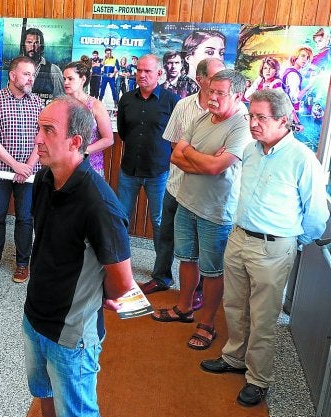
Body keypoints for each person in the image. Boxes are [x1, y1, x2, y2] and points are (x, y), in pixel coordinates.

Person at [200, 89, 329, 407]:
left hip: (273, 247)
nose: (253, 123)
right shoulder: (251, 150)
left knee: (263, 317)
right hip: (239, 238)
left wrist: (292, 242)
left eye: (261, 117)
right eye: (251, 116)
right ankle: (234, 358)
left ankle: (258, 378)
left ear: (283, 120)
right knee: (234, 306)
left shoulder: (302, 159)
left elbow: (316, 215)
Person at [24, 95, 137, 417]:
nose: (37, 139)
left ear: (75, 142)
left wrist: (97, 295)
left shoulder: (100, 204)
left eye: (48, 130)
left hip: (72, 333)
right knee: (44, 394)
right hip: (35, 317)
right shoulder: (44, 178)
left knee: (76, 412)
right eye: (38, 128)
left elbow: (122, 282)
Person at [152, 69, 252, 351]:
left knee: (212, 270)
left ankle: (207, 324)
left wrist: (194, 156)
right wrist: (203, 160)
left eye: (221, 93)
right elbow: (176, 156)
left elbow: (216, 167)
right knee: (186, 259)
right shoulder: (200, 118)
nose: (213, 98)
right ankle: (184, 308)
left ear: (237, 95)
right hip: (187, 201)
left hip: (216, 211)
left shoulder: (240, 126)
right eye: (211, 92)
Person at [141, 58, 226, 304]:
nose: (221, 82)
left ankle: (197, 290)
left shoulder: (229, 112)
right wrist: (205, 163)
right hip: (176, 185)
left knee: (199, 244)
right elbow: (173, 147)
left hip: (205, 194)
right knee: (165, 234)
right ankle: (161, 277)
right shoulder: (183, 105)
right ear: (200, 80)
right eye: (215, 77)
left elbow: (221, 159)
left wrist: (191, 155)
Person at [0, 56, 43, 283]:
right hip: (1, 172)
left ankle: (23, 262)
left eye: (32, 75)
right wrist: (16, 166)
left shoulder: (38, 103)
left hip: (30, 173)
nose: (30, 79)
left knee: (25, 218)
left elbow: (42, 138)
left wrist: (27, 167)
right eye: (26, 74)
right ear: (12, 75)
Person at [116, 54, 179, 265]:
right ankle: (119, 265)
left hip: (159, 173)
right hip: (129, 171)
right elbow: (123, 132)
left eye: (147, 71)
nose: (141, 75)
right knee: (121, 218)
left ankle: (162, 272)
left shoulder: (172, 101)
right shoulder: (126, 99)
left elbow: (178, 137)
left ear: (159, 73)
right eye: (139, 70)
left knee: (160, 222)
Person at [63, 59, 113, 178]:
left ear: (83, 79)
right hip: (65, 165)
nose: (66, 82)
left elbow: (108, 139)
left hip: (91, 167)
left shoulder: (95, 105)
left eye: (70, 79)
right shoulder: (61, 104)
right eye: (64, 79)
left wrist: (82, 151)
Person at [20, 27, 64, 101]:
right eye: (29, 42)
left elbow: (61, 99)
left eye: (36, 43)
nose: (32, 47)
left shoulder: (53, 69)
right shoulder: (17, 68)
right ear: (23, 45)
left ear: (41, 46)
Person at [282, 46, 313, 132]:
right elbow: (296, 98)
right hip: (289, 114)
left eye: (307, 57)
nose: (305, 59)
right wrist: (309, 86)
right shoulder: (293, 75)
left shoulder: (290, 71)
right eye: (303, 56)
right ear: (296, 56)